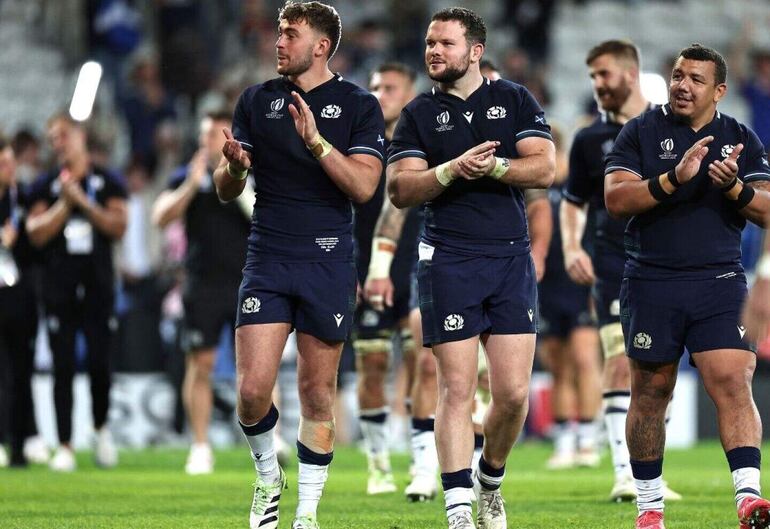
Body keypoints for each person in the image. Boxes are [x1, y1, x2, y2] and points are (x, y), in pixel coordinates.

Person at [212, 2, 385, 528]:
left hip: (328, 259)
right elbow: (225, 191)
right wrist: (235, 169)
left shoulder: (359, 104)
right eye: (279, 32)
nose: (278, 41)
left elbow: (362, 186)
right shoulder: (256, 101)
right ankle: (268, 478)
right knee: (250, 391)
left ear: (321, 46)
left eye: (290, 34)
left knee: (316, 392)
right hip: (267, 254)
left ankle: (306, 513)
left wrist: (314, 140)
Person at [387, 7, 554, 529]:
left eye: (445, 43)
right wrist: (451, 169)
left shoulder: (513, 99)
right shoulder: (417, 113)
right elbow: (399, 189)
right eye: (430, 43)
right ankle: (459, 508)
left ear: (475, 52)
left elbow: (545, 167)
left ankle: (490, 480)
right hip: (448, 258)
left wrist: (498, 166)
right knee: (455, 390)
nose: (433, 51)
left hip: (508, 258)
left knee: (512, 394)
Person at [604, 43, 770, 529]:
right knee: (652, 391)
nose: (682, 85)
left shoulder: (740, 138)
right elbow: (616, 199)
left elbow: (766, 207)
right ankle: (649, 508)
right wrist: (673, 178)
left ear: (719, 90)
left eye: (696, 79)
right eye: (678, 75)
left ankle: (749, 499)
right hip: (651, 278)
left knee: (733, 381)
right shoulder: (640, 131)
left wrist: (734, 187)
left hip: (717, 281)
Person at [561, 39, 681, 503]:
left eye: (604, 74)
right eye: (592, 76)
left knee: (659, 368)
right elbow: (573, 203)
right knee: (617, 357)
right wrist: (573, 246)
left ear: (630, 75)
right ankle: (624, 473)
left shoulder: (668, 127)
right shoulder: (589, 139)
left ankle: (652, 472)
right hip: (613, 262)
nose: (597, 85)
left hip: (669, 263)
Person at [152, 111, 252, 475]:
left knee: (256, 365)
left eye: (215, 134)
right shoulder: (185, 175)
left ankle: (267, 440)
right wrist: (192, 185)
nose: (208, 142)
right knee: (201, 364)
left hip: (247, 281)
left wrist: (240, 175)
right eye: (205, 135)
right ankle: (200, 446)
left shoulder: (251, 173)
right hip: (202, 284)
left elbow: (263, 217)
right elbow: (160, 217)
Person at [26, 113, 127, 472]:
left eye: (63, 135)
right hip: (58, 289)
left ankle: (100, 429)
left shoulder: (108, 180)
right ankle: (65, 443)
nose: (58, 144)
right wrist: (64, 204)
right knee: (62, 364)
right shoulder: (44, 184)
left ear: (81, 136)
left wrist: (83, 204)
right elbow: (35, 232)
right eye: (52, 138)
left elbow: (119, 226)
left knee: (100, 363)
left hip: (98, 286)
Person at [352, 61, 419, 495]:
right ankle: (378, 463)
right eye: (375, 86)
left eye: (390, 87)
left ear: (409, 95)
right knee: (372, 363)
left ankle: (423, 459)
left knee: (423, 364)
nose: (380, 94)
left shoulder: (427, 142)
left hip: (418, 266)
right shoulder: (360, 148)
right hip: (366, 270)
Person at [538, 125, 602, 471]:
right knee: (558, 367)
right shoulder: (535, 187)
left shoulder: (579, 187)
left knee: (585, 360)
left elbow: (593, 235)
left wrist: (597, 286)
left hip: (581, 283)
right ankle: (564, 442)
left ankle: (589, 440)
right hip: (547, 287)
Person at [0, 135, 42, 467]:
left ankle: (19, 444)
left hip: (20, 298)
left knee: (21, 371)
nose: (8, 169)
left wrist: (21, 236)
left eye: (10, 163)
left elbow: (38, 247)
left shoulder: (25, 198)